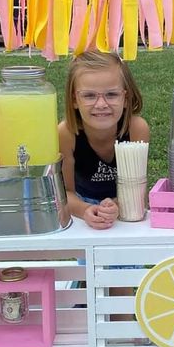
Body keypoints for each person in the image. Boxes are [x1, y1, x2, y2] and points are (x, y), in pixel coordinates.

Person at [59, 50, 150, 228]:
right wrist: (86, 210)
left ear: (126, 97)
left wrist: (117, 206)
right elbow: (64, 193)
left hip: (129, 205)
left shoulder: (137, 129)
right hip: (81, 207)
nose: (101, 104)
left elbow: (139, 189)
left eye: (111, 94)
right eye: (89, 95)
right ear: (74, 100)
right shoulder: (66, 133)